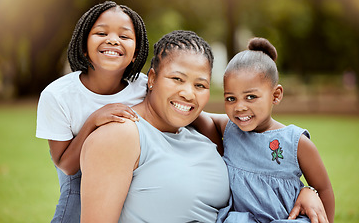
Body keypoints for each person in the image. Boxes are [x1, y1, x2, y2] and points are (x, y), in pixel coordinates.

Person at [79, 31, 330, 223]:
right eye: (177, 79)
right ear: (152, 79)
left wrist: (308, 191)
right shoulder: (121, 135)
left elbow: (263, 140)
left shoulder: (202, 132)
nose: (188, 93)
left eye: (200, 85)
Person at [194, 37, 335, 223]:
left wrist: (317, 205)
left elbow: (323, 189)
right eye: (230, 98)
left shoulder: (295, 142)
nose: (239, 107)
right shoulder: (228, 128)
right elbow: (196, 113)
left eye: (250, 97)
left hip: (287, 218)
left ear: (275, 95)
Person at [35, 1, 149, 223]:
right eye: (101, 32)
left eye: (124, 36)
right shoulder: (58, 95)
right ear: (84, 45)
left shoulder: (146, 89)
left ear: (136, 52)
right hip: (80, 189)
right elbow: (67, 166)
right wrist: (94, 121)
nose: (113, 40)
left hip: (136, 185)